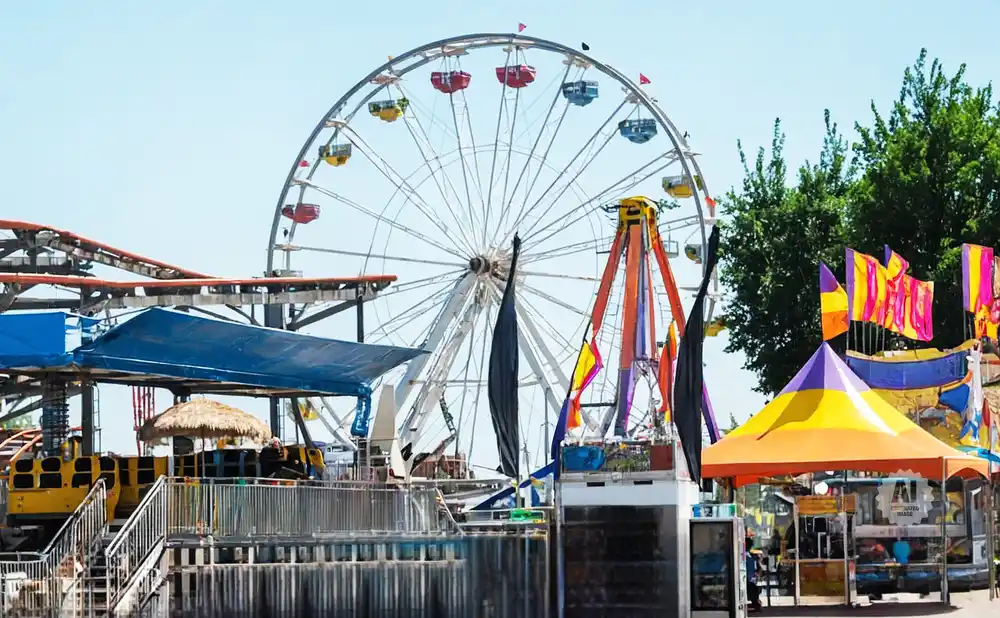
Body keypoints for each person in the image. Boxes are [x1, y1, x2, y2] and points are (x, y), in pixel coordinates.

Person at [746, 536, 762, 612]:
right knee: (752, 587)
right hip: (750, 580)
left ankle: (755, 603)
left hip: (749, 581)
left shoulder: (747, 556)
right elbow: (757, 569)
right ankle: (755, 603)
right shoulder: (750, 557)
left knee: (752, 587)